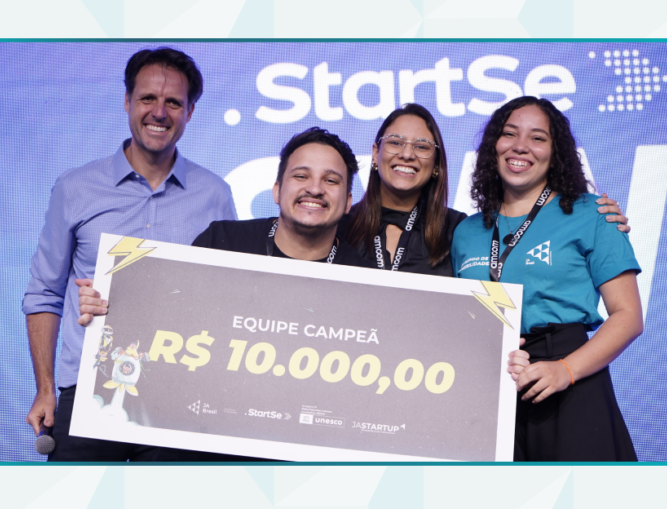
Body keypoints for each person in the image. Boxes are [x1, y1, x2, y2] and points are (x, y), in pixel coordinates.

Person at [21, 47, 238, 462]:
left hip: (179, 392)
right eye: (147, 99)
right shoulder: (75, 188)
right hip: (86, 390)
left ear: (190, 112)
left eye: (173, 102)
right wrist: (45, 389)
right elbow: (44, 294)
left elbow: (227, 299)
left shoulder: (214, 194)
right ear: (126, 101)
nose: (159, 112)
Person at [451, 96, 643, 461]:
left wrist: (564, 370)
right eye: (509, 134)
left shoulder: (593, 214)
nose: (520, 146)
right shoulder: (467, 232)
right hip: (491, 384)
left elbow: (629, 317)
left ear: (556, 154)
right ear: (494, 146)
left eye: (537, 138)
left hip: (570, 377)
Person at [344, 103, 630, 277]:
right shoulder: (339, 227)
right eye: (395, 142)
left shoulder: (460, 230)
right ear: (375, 153)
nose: (407, 154)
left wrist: (598, 219)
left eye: (422, 146)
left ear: (436, 164)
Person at [192, 127, 371, 267]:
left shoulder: (364, 278)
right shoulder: (221, 243)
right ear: (277, 191)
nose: (315, 189)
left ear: (348, 202)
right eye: (301, 176)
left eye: (330, 180)